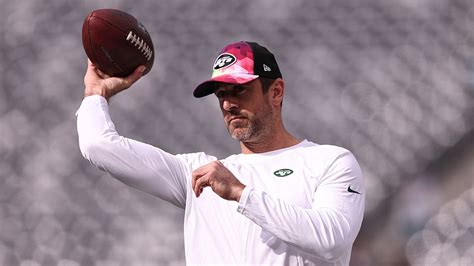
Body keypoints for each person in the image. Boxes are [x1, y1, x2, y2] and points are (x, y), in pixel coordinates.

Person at [77, 41, 365, 265]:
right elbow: (98, 146)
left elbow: (332, 240)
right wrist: (95, 94)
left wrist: (241, 193)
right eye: (221, 95)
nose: (227, 105)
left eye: (238, 91)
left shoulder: (329, 161)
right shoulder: (199, 172)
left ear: (276, 91)